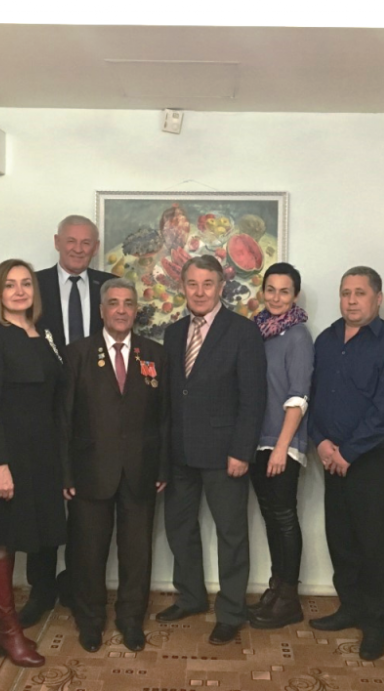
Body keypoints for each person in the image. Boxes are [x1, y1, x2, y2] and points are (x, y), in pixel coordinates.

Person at [0, 259, 65, 668]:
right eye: (10, 285)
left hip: (41, 454)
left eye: (26, 284)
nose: (19, 291)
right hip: (5, 452)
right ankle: (7, 627)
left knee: (22, 532)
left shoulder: (43, 334)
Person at [308, 266, 384, 662]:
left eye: (360, 293)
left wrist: (348, 452)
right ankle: (351, 607)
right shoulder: (326, 339)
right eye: (345, 293)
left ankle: (378, 624)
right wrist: (321, 442)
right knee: (342, 540)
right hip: (331, 459)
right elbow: (311, 396)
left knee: (377, 545)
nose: (351, 300)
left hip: (374, 462)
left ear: (378, 298)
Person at [158, 255, 267, 645]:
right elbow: (172, 396)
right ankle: (190, 596)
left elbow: (253, 397)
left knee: (231, 534)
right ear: (182, 287)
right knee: (179, 528)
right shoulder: (174, 333)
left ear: (221, 287)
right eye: (192, 283)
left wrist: (242, 451)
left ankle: (231, 611)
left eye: (208, 284)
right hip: (179, 452)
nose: (200, 291)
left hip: (225, 453)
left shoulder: (243, 331)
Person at [59, 278, 170, 653]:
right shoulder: (77, 354)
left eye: (128, 303)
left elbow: (165, 417)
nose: (121, 310)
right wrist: (66, 472)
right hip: (89, 472)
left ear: (136, 310)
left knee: (137, 554)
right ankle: (90, 621)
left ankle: (130, 620)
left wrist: (163, 467)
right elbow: (64, 419)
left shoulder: (153, 354)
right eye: (114, 303)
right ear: (102, 310)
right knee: (88, 553)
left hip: (142, 470)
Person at [25, 215, 113, 626]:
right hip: (43, 412)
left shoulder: (109, 287)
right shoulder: (33, 285)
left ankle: (79, 586)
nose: (78, 249)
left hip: (96, 417)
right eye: (71, 241)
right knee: (44, 504)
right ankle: (41, 589)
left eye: (86, 242)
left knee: (86, 509)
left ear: (96, 247)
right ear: (57, 241)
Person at [247, 263, 314, 630]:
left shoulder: (298, 335)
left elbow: (299, 396)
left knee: (285, 518)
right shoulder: (259, 331)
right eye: (270, 290)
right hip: (258, 441)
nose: (276, 297)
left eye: (284, 291)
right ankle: (276, 589)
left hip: (281, 444)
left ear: (295, 295)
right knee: (272, 517)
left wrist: (281, 447)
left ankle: (289, 600)